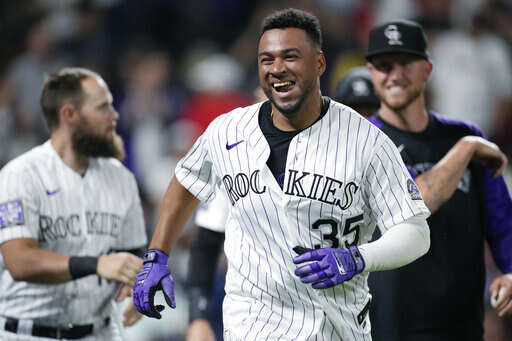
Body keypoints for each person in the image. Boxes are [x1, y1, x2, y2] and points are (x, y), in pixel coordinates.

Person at [133, 9, 432, 340]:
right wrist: (156, 255)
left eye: (291, 57)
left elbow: (415, 232)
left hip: (333, 329)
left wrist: (358, 257)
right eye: (267, 59)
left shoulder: (366, 141)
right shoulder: (227, 130)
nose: (277, 68)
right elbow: (186, 183)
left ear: (319, 63)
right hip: (251, 327)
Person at [364, 20, 512, 341]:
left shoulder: (464, 133)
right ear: (371, 73)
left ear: (428, 69)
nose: (395, 75)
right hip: (388, 324)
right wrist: (467, 150)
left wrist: (511, 270)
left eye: (406, 63)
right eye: (384, 65)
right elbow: (415, 203)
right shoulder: (363, 141)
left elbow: (502, 222)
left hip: (461, 321)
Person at [0, 67, 147, 340]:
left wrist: (137, 283)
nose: (114, 116)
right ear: (69, 115)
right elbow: (19, 261)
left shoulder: (121, 177)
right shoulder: (20, 175)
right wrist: (96, 263)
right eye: (103, 108)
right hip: (29, 332)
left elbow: (133, 249)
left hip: (100, 331)